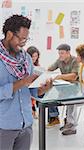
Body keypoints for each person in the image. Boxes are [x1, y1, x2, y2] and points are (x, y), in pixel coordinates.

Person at [0, 14, 52, 150]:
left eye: (26, 39)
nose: (24, 43)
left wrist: (43, 90)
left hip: (26, 125)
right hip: (3, 127)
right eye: (22, 39)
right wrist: (22, 82)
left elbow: (30, 90)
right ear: (10, 34)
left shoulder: (26, 58)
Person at [47, 44, 79, 136]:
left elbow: (73, 76)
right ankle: (64, 120)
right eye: (59, 53)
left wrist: (59, 76)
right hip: (66, 86)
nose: (60, 55)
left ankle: (72, 126)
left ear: (68, 53)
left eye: (62, 53)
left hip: (77, 88)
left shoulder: (75, 60)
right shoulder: (59, 60)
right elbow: (50, 68)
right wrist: (46, 73)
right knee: (50, 94)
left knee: (72, 98)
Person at [27, 46, 40, 119]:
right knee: (33, 90)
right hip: (26, 85)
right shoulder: (25, 65)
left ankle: (34, 109)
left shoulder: (37, 66)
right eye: (32, 56)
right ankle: (33, 109)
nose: (34, 58)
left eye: (36, 56)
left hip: (34, 85)